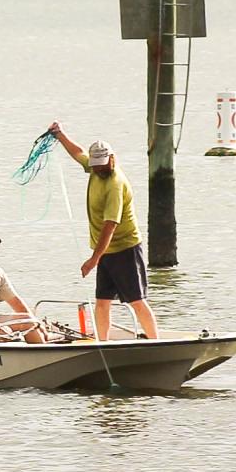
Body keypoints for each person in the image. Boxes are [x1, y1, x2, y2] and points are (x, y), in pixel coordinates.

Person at [48, 121, 160, 341]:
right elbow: (78, 152)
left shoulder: (115, 183)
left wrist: (93, 260)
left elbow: (110, 225)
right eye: (95, 165)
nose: (97, 169)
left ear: (112, 158)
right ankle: (102, 341)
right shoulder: (96, 169)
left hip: (124, 248)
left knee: (136, 299)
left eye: (101, 164)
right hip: (104, 251)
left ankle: (155, 339)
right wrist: (60, 135)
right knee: (102, 300)